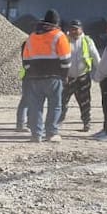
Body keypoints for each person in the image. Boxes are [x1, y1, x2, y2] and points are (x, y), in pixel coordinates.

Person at [20, 9, 72, 143]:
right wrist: (65, 75)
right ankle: (51, 133)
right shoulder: (59, 36)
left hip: (34, 78)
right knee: (55, 105)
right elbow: (66, 60)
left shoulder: (32, 36)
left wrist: (30, 71)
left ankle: (36, 135)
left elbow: (25, 59)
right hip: (54, 77)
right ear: (57, 23)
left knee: (35, 106)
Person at [61, 19, 98, 131]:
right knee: (62, 102)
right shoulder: (65, 40)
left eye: (76, 29)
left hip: (83, 77)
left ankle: (86, 123)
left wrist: (101, 73)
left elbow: (96, 57)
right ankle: (57, 123)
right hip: (68, 77)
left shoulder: (87, 41)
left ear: (81, 29)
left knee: (85, 102)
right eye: (71, 29)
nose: (73, 31)